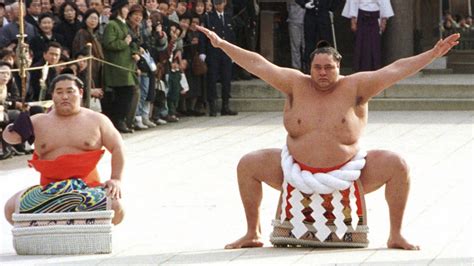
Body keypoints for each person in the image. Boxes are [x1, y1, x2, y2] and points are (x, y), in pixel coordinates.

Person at [197, 24, 460, 250]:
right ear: (309, 68)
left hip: (350, 177)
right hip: (295, 175)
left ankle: (396, 234)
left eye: (328, 68)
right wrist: (221, 44)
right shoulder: (294, 84)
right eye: (317, 67)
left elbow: (395, 69)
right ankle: (253, 232)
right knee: (248, 164)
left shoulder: (357, 86)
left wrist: (432, 54)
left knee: (397, 165)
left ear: (338, 66)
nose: (322, 73)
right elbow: (258, 64)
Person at [3, 73, 125, 225]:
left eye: (70, 91)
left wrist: (116, 179)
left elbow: (118, 146)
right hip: (48, 190)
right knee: (11, 209)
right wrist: (12, 128)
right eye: (59, 92)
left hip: (88, 187)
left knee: (116, 208)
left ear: (80, 93)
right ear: (52, 95)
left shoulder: (97, 120)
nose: (64, 96)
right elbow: (12, 138)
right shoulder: (38, 122)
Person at [199, 0, 237, 117]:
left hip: (226, 53)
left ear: (224, 3)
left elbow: (232, 36)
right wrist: (202, 52)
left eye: (220, 3)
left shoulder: (229, 16)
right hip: (213, 53)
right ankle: (213, 106)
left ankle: (225, 106)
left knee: (226, 79)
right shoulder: (208, 17)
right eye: (216, 4)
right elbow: (203, 36)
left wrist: (234, 53)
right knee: (212, 79)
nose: (218, 6)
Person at [342, 0, 394, 72]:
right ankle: (359, 69)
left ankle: (375, 68)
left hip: (375, 15)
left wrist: (384, 20)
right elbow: (353, 1)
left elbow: (384, 2)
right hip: (361, 15)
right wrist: (353, 19)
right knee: (360, 42)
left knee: (375, 43)